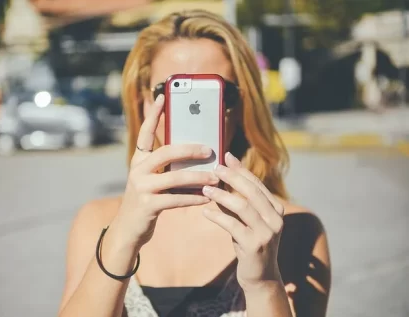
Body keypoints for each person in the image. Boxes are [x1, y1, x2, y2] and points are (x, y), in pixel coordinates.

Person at [58, 9, 331, 317]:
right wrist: (122, 239)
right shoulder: (98, 221)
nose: (196, 113)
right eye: (173, 93)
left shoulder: (289, 228)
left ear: (242, 107)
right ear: (144, 102)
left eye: (215, 93)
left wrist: (264, 283)